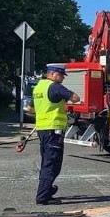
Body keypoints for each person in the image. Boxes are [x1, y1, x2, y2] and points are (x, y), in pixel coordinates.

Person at [33, 64, 79, 205]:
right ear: (52, 74)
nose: (63, 79)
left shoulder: (38, 87)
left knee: (47, 162)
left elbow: (30, 108)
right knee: (52, 164)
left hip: (42, 129)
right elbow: (75, 98)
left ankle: (46, 190)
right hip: (54, 131)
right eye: (61, 76)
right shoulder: (55, 87)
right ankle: (42, 196)